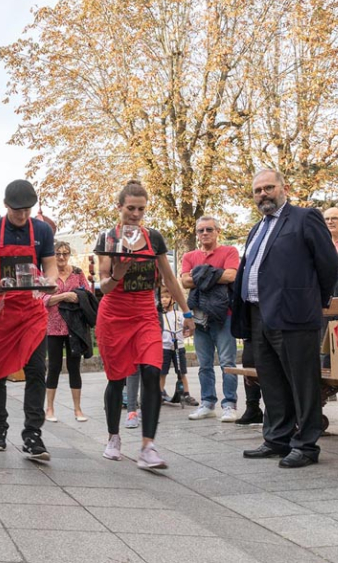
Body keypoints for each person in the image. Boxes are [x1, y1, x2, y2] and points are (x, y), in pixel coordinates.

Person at [232, 169, 338, 468]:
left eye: (268, 188)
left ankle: (305, 445)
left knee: (302, 382)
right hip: (259, 314)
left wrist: (314, 301)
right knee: (272, 381)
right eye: (257, 191)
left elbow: (328, 263)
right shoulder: (257, 228)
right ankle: (277, 439)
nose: (262, 194)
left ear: (283, 188)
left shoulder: (305, 218)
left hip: (295, 315)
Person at [96, 180, 195, 469]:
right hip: (114, 314)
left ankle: (147, 446)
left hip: (144, 314)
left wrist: (187, 314)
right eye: (130, 208)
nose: (136, 214)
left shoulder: (154, 238)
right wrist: (118, 273)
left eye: (141, 209)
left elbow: (169, 278)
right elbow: (103, 286)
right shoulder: (107, 239)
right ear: (119, 207)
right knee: (116, 380)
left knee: (152, 370)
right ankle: (113, 437)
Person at [0, 180, 55, 461]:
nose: (22, 216)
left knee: (36, 370)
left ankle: (33, 434)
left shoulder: (42, 230)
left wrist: (51, 281)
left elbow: (50, 265)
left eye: (27, 210)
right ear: (6, 206)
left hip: (32, 311)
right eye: (16, 210)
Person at [181, 215, 240, 422]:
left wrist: (200, 275)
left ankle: (230, 404)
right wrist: (215, 275)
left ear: (217, 231)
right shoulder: (189, 256)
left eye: (209, 229)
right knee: (204, 364)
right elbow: (185, 281)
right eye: (201, 230)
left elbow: (231, 276)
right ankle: (207, 403)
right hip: (199, 316)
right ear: (197, 234)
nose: (205, 233)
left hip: (225, 316)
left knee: (227, 362)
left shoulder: (229, 251)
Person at [42, 241, 91, 423]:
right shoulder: (47, 274)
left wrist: (75, 296)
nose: (61, 257)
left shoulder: (77, 273)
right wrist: (63, 296)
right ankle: (49, 408)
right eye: (57, 253)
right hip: (53, 327)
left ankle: (78, 409)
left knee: (74, 368)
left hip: (74, 327)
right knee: (53, 367)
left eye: (65, 253)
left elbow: (87, 293)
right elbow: (42, 299)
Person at [159, 292, 197, 405]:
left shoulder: (179, 315)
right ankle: (159, 394)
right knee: (162, 373)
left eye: (166, 297)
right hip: (164, 347)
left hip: (178, 347)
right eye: (161, 297)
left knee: (181, 372)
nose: (164, 300)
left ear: (173, 299)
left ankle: (186, 394)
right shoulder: (160, 316)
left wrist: (188, 329)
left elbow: (187, 325)